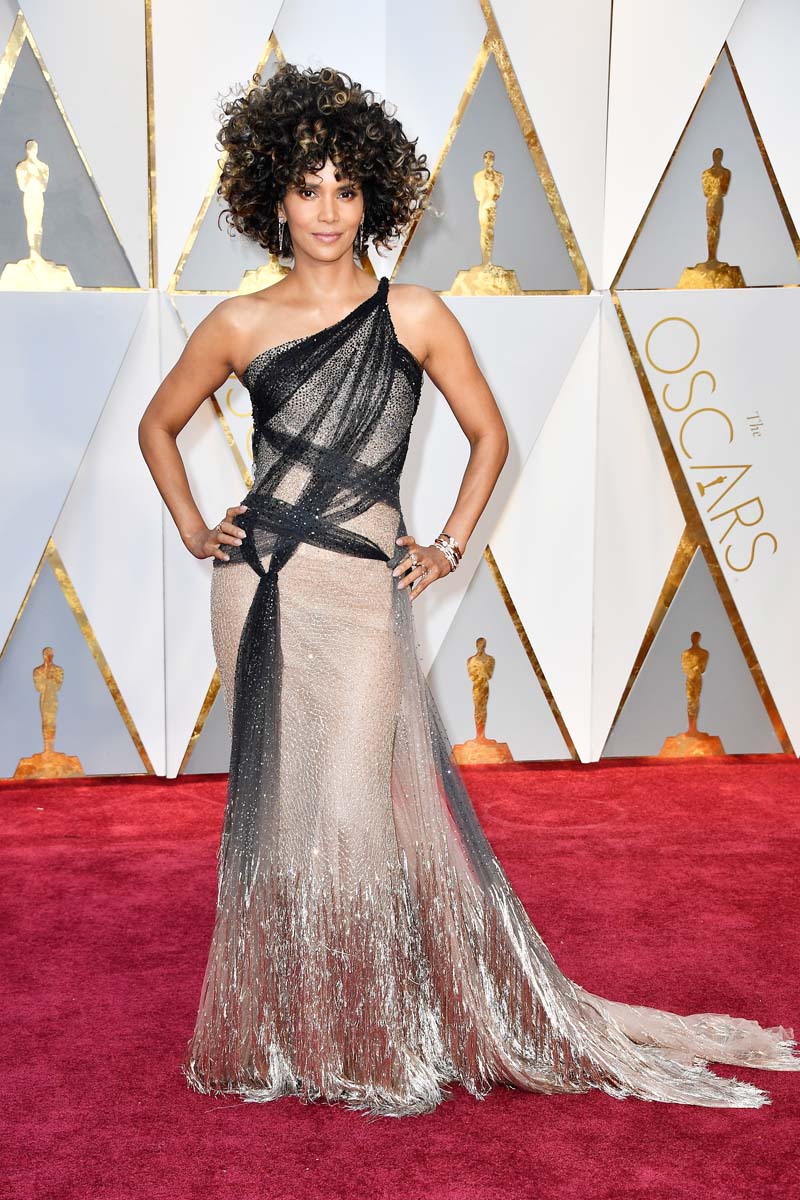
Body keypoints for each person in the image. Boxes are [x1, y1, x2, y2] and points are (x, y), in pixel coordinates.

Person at [137, 63, 799, 1118]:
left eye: (346, 188)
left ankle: (369, 1038)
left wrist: (446, 541)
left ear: (375, 199)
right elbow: (155, 428)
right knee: (286, 809)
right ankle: (288, 1029)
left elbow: (490, 437)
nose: (326, 210)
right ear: (273, 194)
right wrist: (190, 523)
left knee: (355, 811)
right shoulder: (235, 321)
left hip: (358, 598)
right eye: (307, 187)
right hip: (258, 592)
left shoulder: (419, 312)